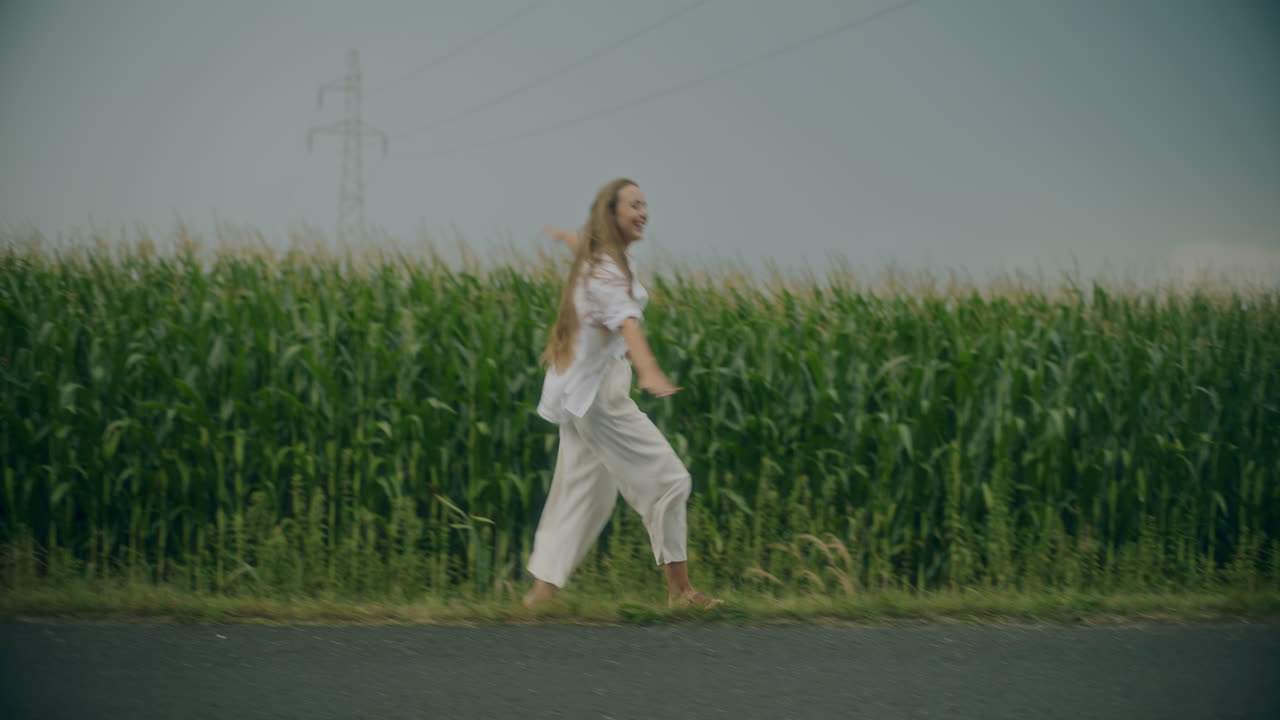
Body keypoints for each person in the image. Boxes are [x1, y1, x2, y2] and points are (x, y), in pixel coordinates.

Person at [523, 177, 722, 610]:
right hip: (600, 397)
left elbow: (589, 258)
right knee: (670, 481)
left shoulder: (602, 258)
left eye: (645, 203)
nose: (644, 211)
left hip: (581, 395)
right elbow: (627, 323)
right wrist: (649, 372)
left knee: (580, 499)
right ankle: (681, 593)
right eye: (634, 204)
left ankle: (537, 601)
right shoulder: (608, 270)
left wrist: (566, 239)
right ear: (612, 215)